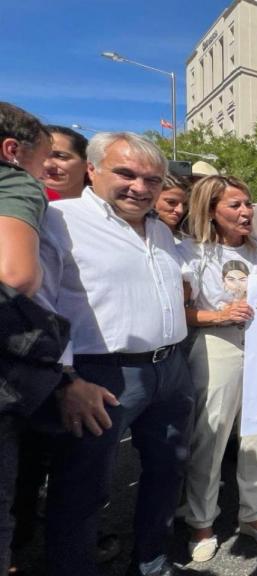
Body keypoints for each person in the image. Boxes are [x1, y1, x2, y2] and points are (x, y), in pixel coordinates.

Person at [42, 132, 193, 576]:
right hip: (99, 377)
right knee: (82, 488)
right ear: (93, 169)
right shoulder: (58, 220)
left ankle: (151, 561)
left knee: (167, 473)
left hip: (169, 370)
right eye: (126, 173)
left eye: (152, 179)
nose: (140, 187)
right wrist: (66, 380)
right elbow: (37, 303)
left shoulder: (162, 232)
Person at [177, 175, 257, 561]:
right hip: (217, 346)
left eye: (248, 204)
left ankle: (254, 514)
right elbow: (181, 312)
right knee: (211, 437)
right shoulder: (191, 252)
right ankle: (201, 521)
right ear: (211, 211)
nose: (246, 212)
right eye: (235, 206)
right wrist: (218, 315)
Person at [0, 102, 52, 575]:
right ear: (12, 152)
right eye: (44, 163)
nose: (46, 174)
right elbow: (16, 274)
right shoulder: (15, 181)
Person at [42, 125, 88, 200]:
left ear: (87, 164)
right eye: (40, 157)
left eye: (60, 156)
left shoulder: (106, 207)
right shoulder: (22, 205)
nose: (47, 165)